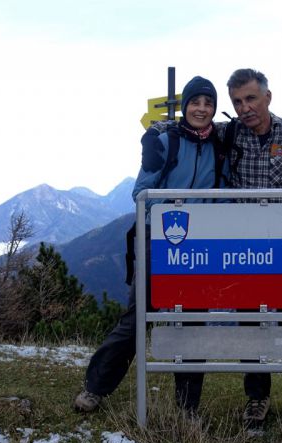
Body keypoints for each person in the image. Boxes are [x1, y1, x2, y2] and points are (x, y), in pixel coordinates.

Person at [141, 68, 282, 432]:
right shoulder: (231, 133)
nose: (244, 108)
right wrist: (153, 133)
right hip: (244, 249)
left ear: (267, 97)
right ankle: (256, 400)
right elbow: (191, 128)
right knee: (250, 322)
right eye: (238, 102)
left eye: (251, 99)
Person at [74, 76, 230, 415]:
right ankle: (95, 388)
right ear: (185, 105)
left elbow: (226, 190)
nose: (201, 109)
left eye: (208, 103)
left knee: (192, 322)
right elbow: (140, 193)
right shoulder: (164, 141)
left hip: (199, 249)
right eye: (195, 102)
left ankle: (187, 408)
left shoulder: (220, 147)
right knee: (139, 317)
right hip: (159, 240)